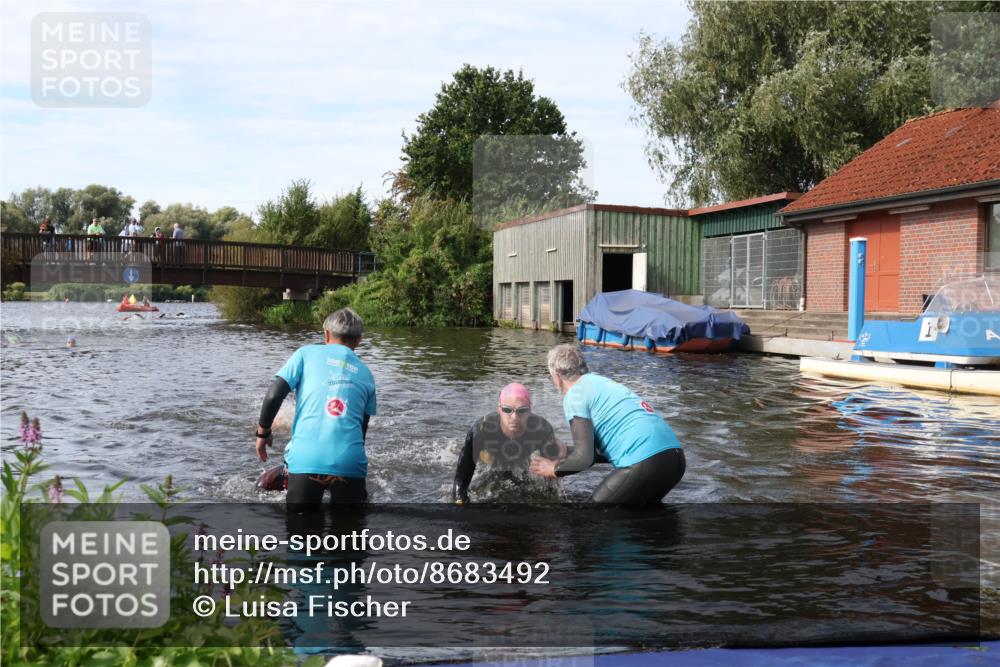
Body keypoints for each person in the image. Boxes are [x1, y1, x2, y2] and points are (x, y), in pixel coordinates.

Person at [529, 344, 685, 504]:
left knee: (592, 518)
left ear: (556, 376)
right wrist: (567, 452)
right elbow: (609, 450)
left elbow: (584, 459)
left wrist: (554, 469)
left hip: (645, 461)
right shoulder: (602, 383)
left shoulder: (574, 394)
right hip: (674, 460)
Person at [255, 308, 377, 511]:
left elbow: (274, 395)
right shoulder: (366, 373)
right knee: (349, 536)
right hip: (350, 462)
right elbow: (361, 429)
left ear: (326, 334)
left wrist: (263, 432)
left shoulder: (305, 353)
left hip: (305, 459)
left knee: (301, 533)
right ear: (359, 340)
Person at [453, 383, 564, 504]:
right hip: (489, 458)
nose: (514, 417)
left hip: (522, 458)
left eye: (522, 410)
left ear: (530, 411)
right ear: (499, 410)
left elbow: (551, 481)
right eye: (507, 410)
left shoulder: (542, 430)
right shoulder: (482, 429)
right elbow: (462, 478)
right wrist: (460, 502)